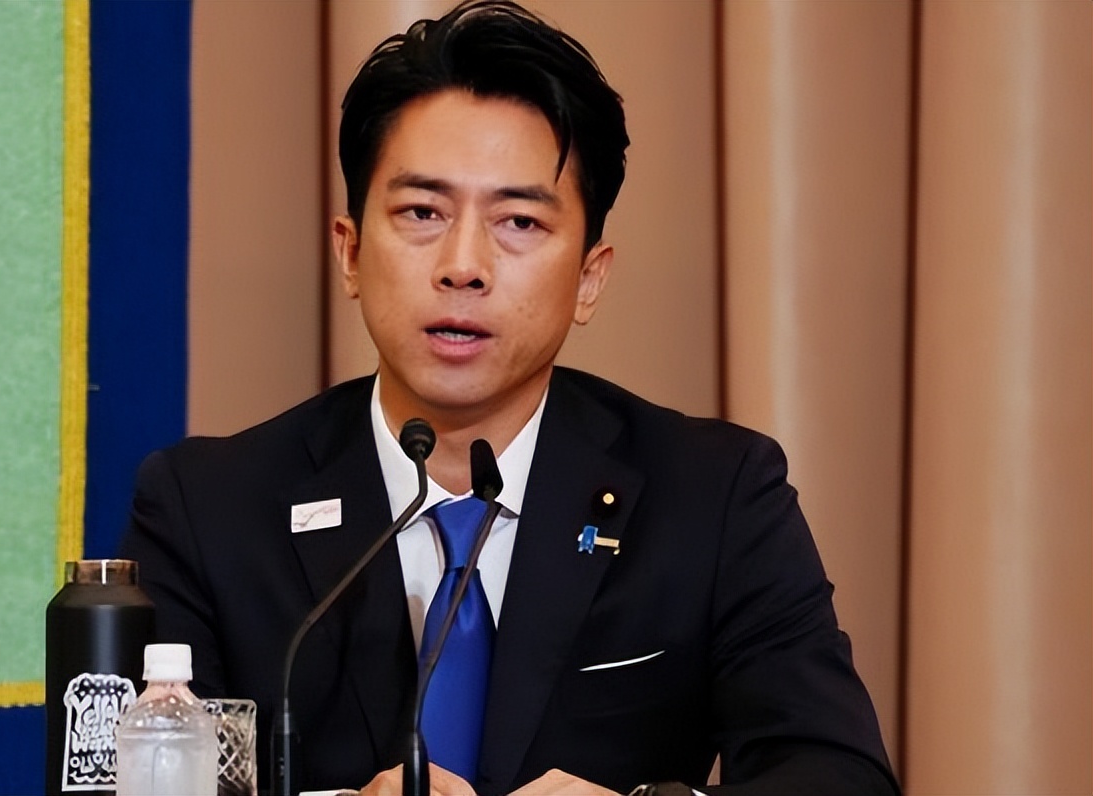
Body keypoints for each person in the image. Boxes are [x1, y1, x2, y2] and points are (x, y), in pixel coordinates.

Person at [119, 2, 899, 795]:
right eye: (422, 212)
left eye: (519, 222)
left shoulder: (714, 496)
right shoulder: (207, 510)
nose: (464, 265)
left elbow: (841, 774)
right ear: (350, 252)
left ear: (589, 278)